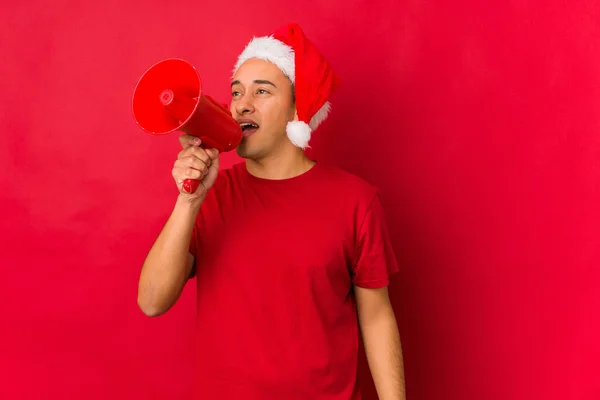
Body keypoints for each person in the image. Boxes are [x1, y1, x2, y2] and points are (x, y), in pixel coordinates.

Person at [137, 23, 406, 400]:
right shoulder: (211, 196)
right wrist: (189, 201)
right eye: (236, 91)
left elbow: (377, 316)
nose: (242, 103)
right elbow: (151, 301)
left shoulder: (356, 201)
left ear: (298, 108)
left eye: (262, 91)